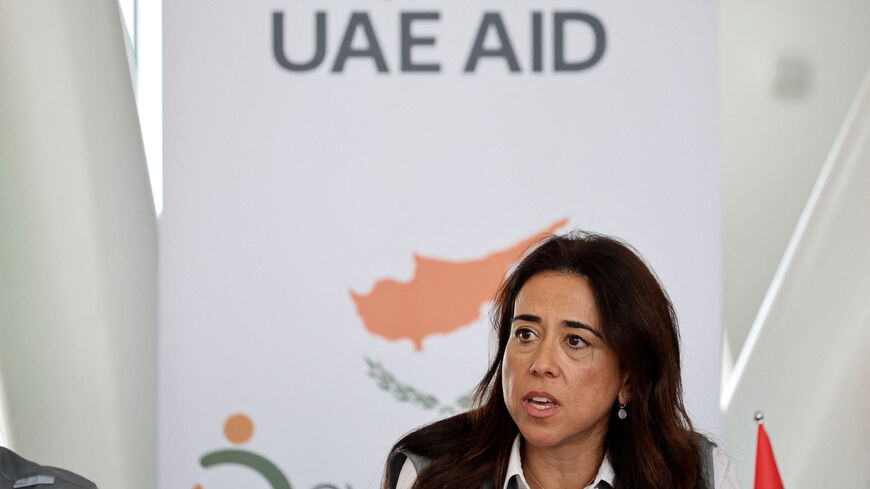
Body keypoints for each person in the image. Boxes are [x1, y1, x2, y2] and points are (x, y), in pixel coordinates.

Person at [383, 231, 739, 489]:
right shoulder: (432, 472)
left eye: (575, 341)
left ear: (629, 379)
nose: (541, 363)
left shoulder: (698, 475)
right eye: (525, 334)